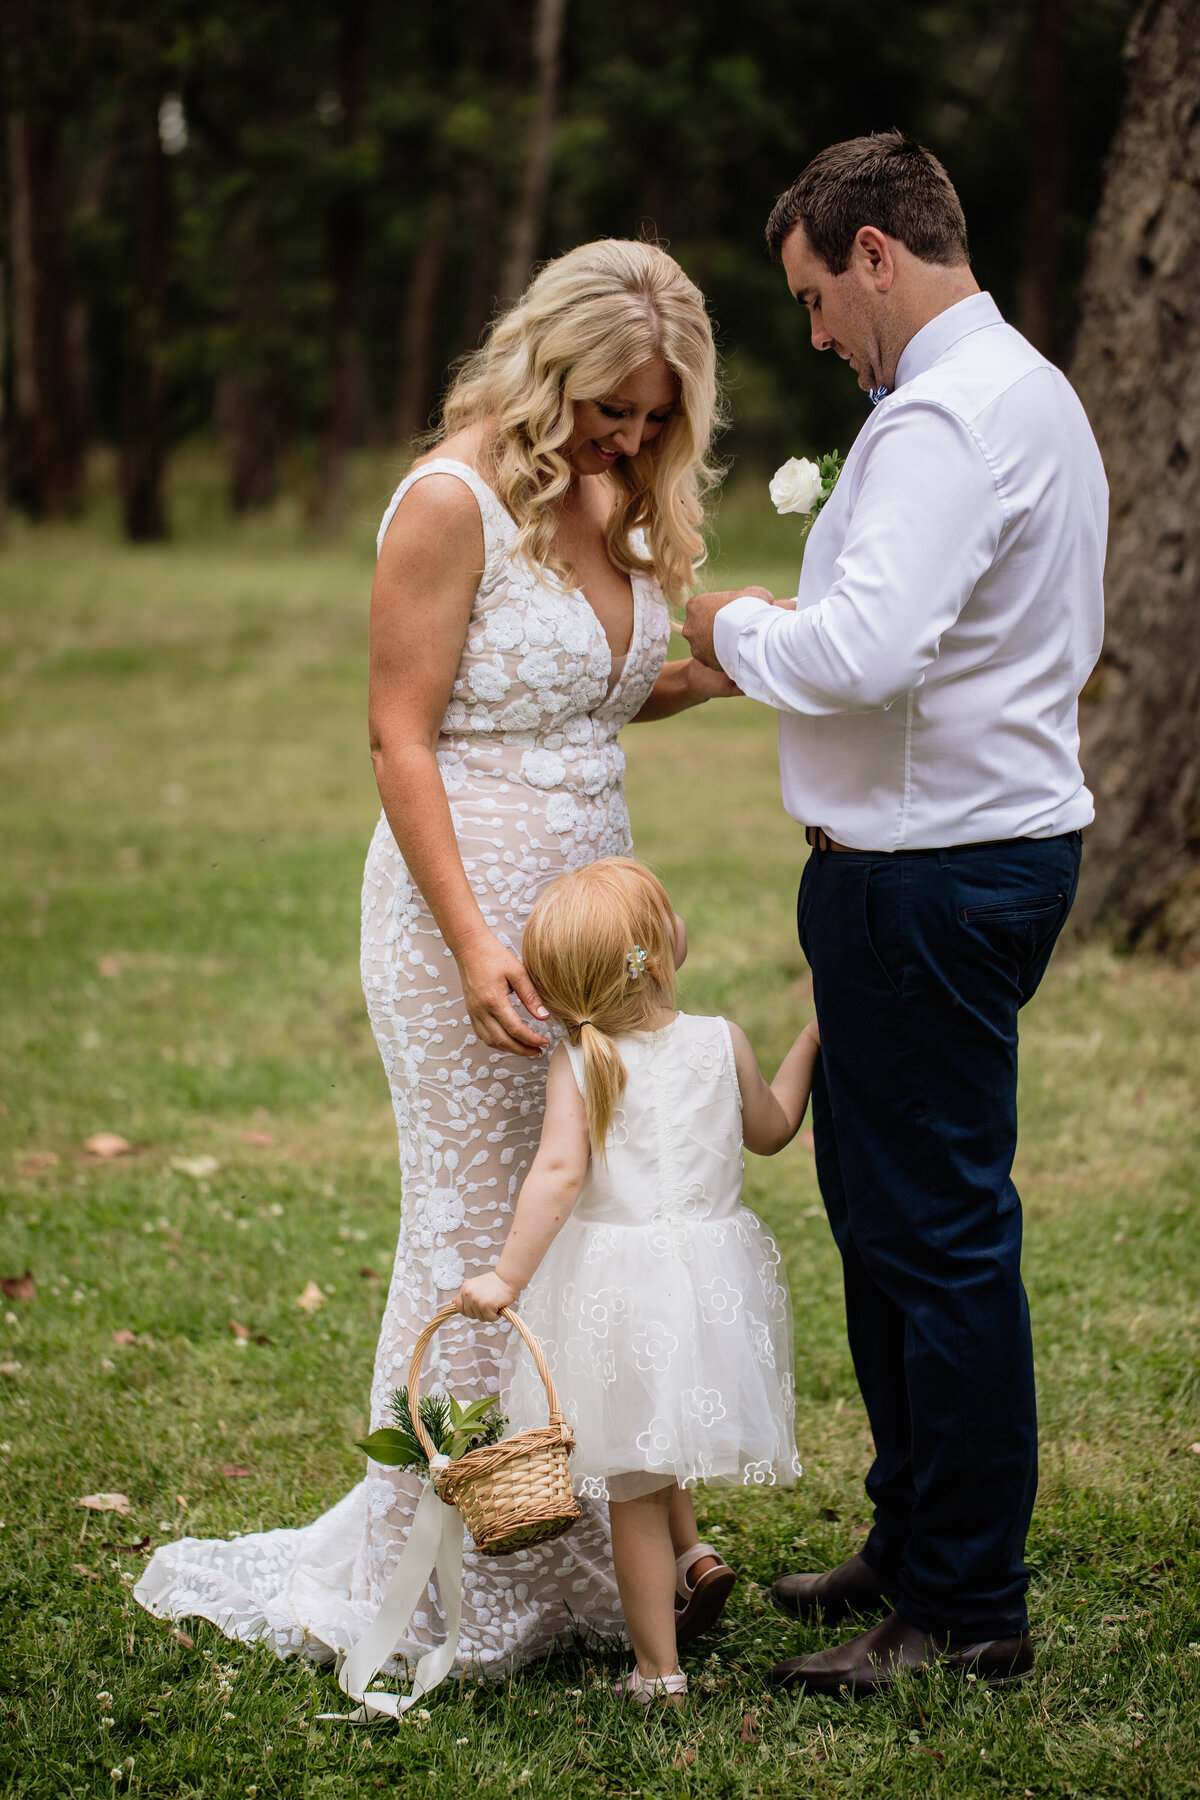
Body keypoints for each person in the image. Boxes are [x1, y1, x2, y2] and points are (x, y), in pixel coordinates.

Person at [136, 239, 742, 1679]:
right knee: (482, 1228)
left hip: (590, 918)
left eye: (661, 417)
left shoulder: (612, 490)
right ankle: (454, 1569)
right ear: (551, 365)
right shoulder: (449, 500)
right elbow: (403, 732)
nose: (633, 438)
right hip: (456, 910)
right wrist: (474, 942)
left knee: (591, 1209)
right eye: (614, 409)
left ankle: (614, 1541)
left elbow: (589, 691)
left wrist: (722, 668)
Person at [683, 131, 1107, 1696]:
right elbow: (918, 637)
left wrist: (721, 620)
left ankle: (966, 1610)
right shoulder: (1023, 396)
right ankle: (911, 1535)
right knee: (882, 1214)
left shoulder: (944, 420)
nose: (814, 332)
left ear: (876, 254)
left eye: (812, 296)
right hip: (946, 860)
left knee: (935, 1240)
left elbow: (860, 656)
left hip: (931, 878)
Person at [459, 857, 818, 1703]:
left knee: (633, 1492)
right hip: (706, 1285)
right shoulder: (721, 1038)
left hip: (618, 1290)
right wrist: (811, 1039)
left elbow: (554, 1174)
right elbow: (772, 1130)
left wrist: (508, 1276)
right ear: (658, 957)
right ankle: (688, 1572)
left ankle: (659, 1671)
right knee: (667, 1437)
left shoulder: (582, 1063)